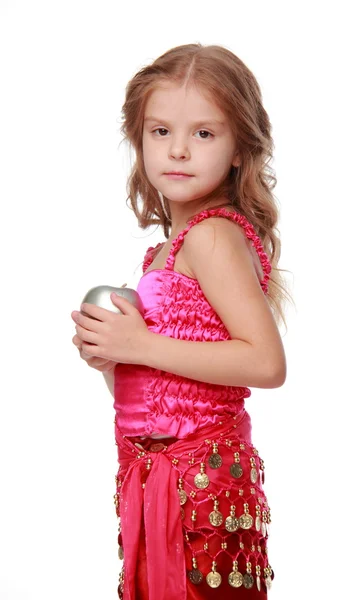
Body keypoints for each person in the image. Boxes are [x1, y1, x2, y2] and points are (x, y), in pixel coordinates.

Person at [71, 43, 292, 600]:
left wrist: (140, 344)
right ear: (139, 138)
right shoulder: (169, 250)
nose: (178, 151)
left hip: (200, 484)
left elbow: (265, 363)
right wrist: (114, 359)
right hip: (161, 479)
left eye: (204, 134)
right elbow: (166, 393)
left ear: (240, 146)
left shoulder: (212, 235)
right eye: (160, 131)